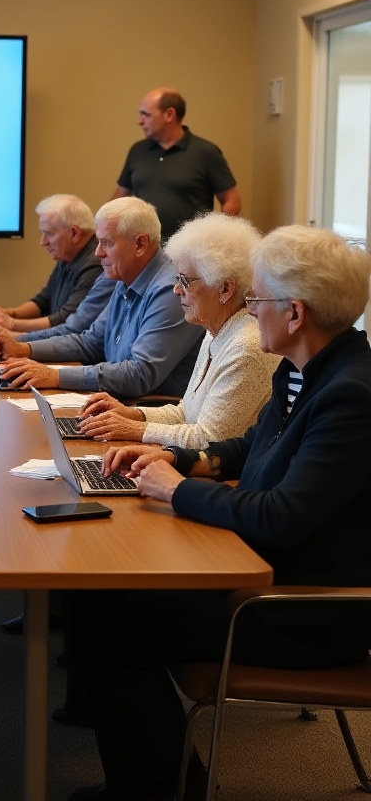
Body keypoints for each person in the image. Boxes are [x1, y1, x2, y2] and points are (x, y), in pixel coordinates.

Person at [64, 225, 371, 801]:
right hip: (258, 570)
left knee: (113, 631)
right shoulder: (304, 369)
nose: (251, 315)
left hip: (303, 612)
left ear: (296, 314)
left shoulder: (350, 395)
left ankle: (160, 789)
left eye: (257, 301)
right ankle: (154, 778)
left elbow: (281, 516)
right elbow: (243, 449)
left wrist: (175, 489)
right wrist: (169, 456)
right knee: (95, 594)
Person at [76, 212, 279, 447]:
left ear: (224, 289)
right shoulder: (217, 330)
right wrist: (133, 414)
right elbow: (186, 413)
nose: (176, 290)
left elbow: (209, 439)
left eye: (185, 280)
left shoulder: (246, 349)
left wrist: (133, 429)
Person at [0, 197, 203, 399]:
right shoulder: (126, 276)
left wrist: (54, 376)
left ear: (140, 244)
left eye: (107, 243)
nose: (98, 252)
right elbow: (90, 342)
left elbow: (140, 374)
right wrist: (23, 349)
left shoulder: (170, 291)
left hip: (152, 412)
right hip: (121, 403)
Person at [112, 87, 241, 241]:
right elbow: (120, 196)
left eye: (146, 114)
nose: (139, 121)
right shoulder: (137, 151)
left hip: (188, 250)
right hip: (144, 248)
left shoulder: (205, 152)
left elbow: (231, 200)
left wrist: (216, 237)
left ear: (169, 114)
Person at [0, 194, 103, 334]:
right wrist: (6, 313)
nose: (43, 242)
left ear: (74, 233)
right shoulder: (68, 255)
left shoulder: (95, 262)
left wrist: (12, 324)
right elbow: (43, 301)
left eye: (49, 234)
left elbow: (65, 320)